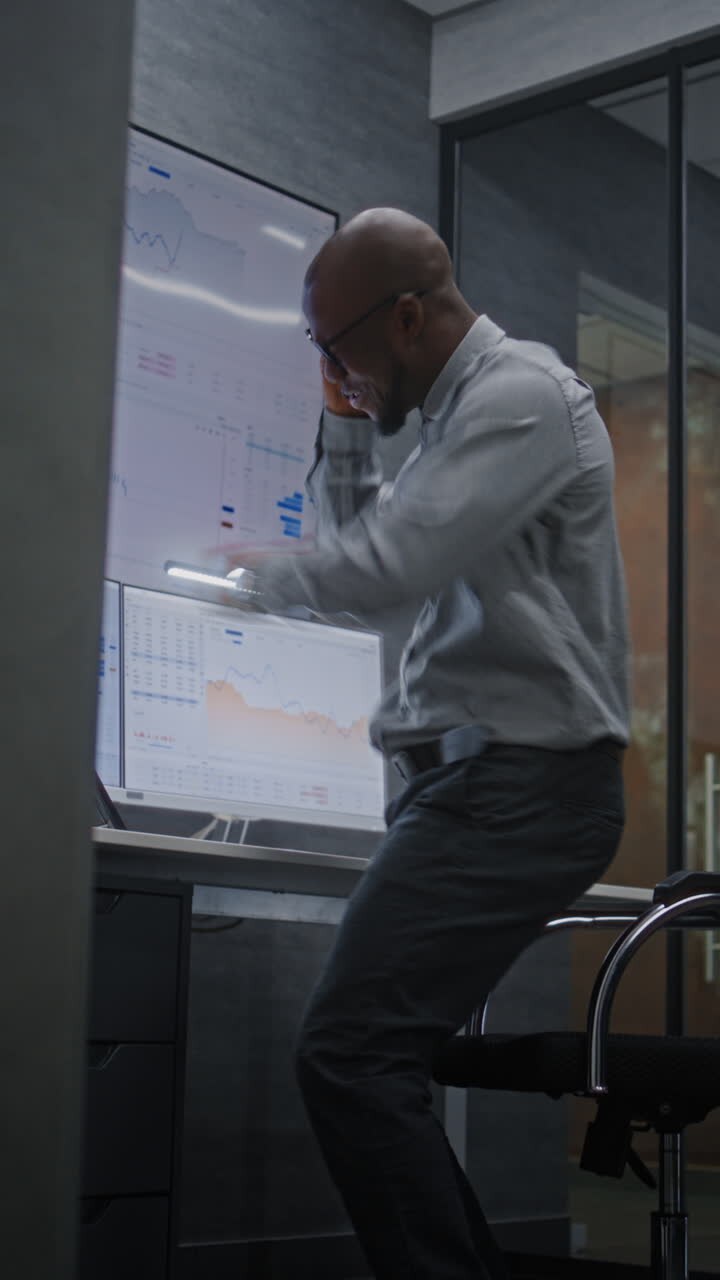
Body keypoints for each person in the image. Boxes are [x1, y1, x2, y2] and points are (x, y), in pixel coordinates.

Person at [233, 207, 630, 1280]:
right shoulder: (453, 424)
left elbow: (384, 565)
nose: (335, 369)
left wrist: (247, 575)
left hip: (523, 785)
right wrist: (342, 410)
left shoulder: (518, 401)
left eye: (337, 347)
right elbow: (368, 565)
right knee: (366, 1058)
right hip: (464, 790)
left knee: (349, 1055)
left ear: (406, 318)